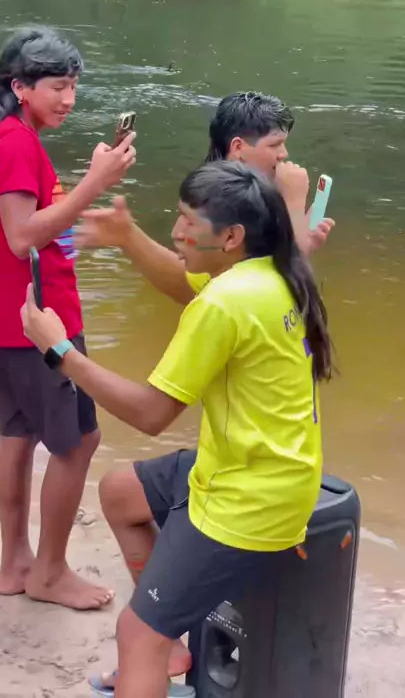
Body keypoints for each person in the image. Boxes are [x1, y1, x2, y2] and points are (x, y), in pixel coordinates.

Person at [21, 160, 332, 698]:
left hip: (249, 500)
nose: (176, 231)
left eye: (189, 222)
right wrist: (126, 235)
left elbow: (150, 414)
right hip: (266, 469)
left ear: (231, 238)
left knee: (135, 634)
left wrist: (60, 351)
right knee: (121, 492)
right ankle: (169, 638)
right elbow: (178, 278)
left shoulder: (224, 302)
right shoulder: (273, 271)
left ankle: (154, 639)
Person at [0, 25, 136, 610]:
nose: (69, 99)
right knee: (78, 441)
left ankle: (15, 564)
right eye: (57, 86)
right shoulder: (15, 141)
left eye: (73, 86)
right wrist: (96, 182)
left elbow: (3, 236)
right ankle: (49, 572)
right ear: (20, 86)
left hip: (8, 318)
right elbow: (21, 237)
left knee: (18, 434)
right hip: (42, 324)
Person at [76, 92, 334, 306]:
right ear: (238, 148)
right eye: (275, 144)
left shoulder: (261, 193)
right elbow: (192, 285)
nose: (284, 154)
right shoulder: (218, 200)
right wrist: (294, 203)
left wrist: (299, 230)